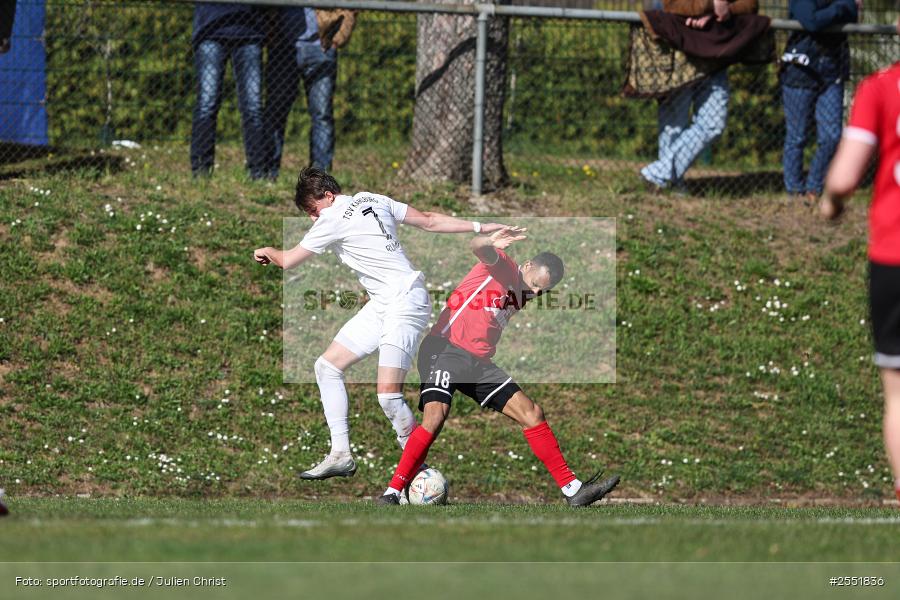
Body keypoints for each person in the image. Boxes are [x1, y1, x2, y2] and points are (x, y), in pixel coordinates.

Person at [253, 168, 508, 479]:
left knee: (388, 395)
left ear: (328, 197)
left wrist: (267, 251)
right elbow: (428, 219)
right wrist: (480, 224)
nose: (312, 218)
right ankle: (341, 454)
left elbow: (288, 259)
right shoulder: (373, 198)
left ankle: (418, 470)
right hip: (386, 302)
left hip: (404, 301)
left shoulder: (331, 218)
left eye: (312, 210)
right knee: (327, 366)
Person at [376, 228, 620, 506]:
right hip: (446, 349)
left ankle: (573, 489)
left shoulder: (524, 292)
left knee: (532, 413)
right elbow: (478, 246)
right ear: (527, 265)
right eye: (537, 283)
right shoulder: (504, 267)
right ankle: (392, 493)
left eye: (544, 290)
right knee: (435, 418)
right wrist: (490, 241)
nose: (537, 292)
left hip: (478, 362)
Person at [819, 11, 899, 503]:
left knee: (898, 388)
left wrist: (831, 201)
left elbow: (845, 176)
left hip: (894, 255)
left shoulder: (881, 88)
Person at [640, 0, 760, 193]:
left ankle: (657, 174)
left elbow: (751, 4)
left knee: (714, 124)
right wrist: (712, 4)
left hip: (715, 56)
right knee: (674, 124)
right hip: (679, 52)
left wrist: (725, 9)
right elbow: (671, 5)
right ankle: (673, 184)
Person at [781, 0, 858, 204]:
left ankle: (814, 188)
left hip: (833, 71)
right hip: (800, 73)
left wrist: (834, 11)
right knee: (797, 137)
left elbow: (853, 13)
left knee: (832, 136)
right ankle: (794, 190)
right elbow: (811, 21)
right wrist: (839, 8)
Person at [264, 7, 355, 177]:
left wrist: (336, 39)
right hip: (283, 48)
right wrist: (271, 35)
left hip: (322, 49)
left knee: (322, 114)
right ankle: (268, 172)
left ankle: (320, 177)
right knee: (275, 111)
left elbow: (349, 7)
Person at [190, 2, 267, 179]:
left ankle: (258, 172)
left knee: (253, 107)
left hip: (249, 32)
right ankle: (201, 171)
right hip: (210, 30)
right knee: (207, 104)